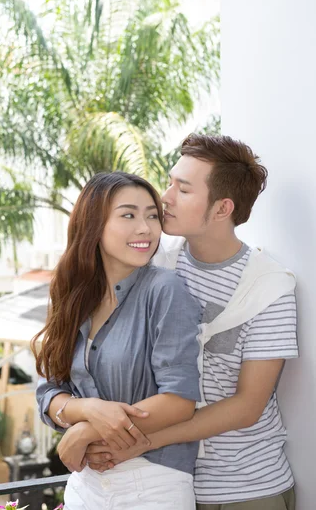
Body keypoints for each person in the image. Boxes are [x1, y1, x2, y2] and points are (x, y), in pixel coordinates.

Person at [63, 134, 298, 510]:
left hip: (247, 487)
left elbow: (247, 406)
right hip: (165, 483)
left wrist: (136, 440)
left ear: (222, 209)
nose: (164, 197)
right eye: (169, 182)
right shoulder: (155, 264)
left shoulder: (269, 287)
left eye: (182, 189)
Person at [32, 171, 203, 509]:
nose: (146, 228)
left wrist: (85, 431)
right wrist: (87, 410)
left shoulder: (164, 290)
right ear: (94, 224)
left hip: (152, 483)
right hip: (84, 486)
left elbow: (179, 401)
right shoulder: (70, 295)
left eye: (152, 215)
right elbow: (47, 391)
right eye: (128, 215)